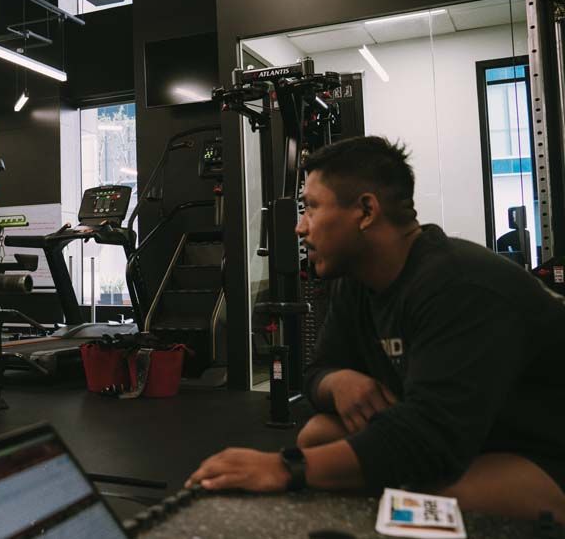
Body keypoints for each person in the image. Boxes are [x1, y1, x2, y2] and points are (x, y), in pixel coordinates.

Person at [187, 136, 565, 521]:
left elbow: (430, 437)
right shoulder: (358, 283)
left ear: (366, 211)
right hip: (469, 437)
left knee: (430, 498)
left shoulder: (458, 285)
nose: (300, 227)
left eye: (312, 208)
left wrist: (284, 469)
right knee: (317, 434)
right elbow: (317, 372)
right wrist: (339, 382)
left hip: (540, 451)